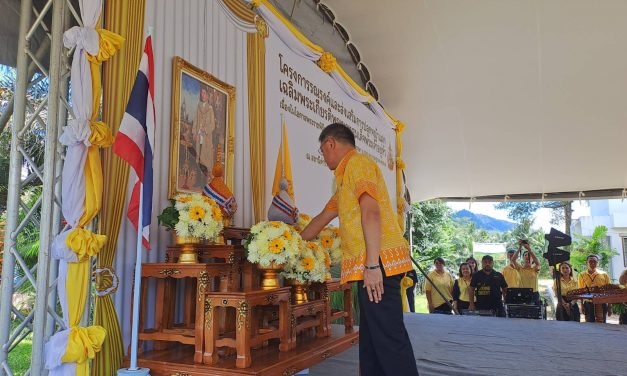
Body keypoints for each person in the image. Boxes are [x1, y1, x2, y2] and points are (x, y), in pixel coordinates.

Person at [301, 123, 419, 376]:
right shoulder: (345, 179)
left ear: (330, 143)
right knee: (372, 340)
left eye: (322, 151)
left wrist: (373, 265)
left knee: (388, 339)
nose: (323, 158)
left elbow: (372, 214)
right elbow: (323, 217)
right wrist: (293, 240)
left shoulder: (358, 165)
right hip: (373, 267)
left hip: (379, 266)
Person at [578, 255, 611, 323]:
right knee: (589, 324)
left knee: (601, 323)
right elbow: (580, 291)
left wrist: (610, 306)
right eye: (590, 261)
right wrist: (582, 305)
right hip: (588, 303)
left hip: (602, 302)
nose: (592, 263)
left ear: (597, 263)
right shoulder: (582, 275)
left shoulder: (604, 274)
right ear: (587, 262)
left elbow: (609, 291)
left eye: (595, 261)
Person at [193, 84, 216, 175]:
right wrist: (194, 132)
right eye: (201, 93)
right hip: (199, 136)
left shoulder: (210, 109)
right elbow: (195, 120)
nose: (202, 95)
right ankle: (198, 176)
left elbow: (212, 125)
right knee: (198, 154)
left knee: (205, 156)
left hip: (206, 137)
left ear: (207, 96)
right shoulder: (198, 107)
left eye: (204, 93)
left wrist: (205, 130)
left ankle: (204, 177)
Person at [518, 240, 541, 305]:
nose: (527, 256)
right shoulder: (520, 268)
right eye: (525, 255)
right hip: (522, 293)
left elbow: (538, 263)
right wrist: (519, 248)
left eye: (529, 255)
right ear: (523, 258)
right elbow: (513, 260)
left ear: (532, 259)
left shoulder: (535, 268)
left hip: (534, 294)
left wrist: (529, 249)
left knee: (534, 312)